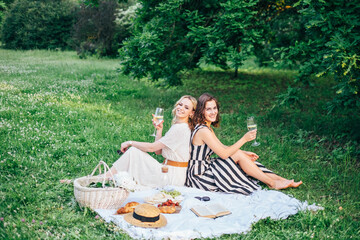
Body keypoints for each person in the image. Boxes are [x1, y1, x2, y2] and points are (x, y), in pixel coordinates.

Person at [185, 93, 302, 195]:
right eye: (208, 109)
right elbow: (224, 154)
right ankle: (272, 183)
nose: (213, 112)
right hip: (199, 176)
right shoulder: (203, 130)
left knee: (241, 155)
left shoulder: (206, 127)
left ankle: (281, 180)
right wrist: (244, 139)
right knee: (238, 156)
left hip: (205, 167)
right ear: (201, 111)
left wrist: (243, 152)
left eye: (214, 108)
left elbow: (222, 147)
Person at [108, 95, 197, 188]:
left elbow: (152, 148)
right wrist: (159, 130)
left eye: (186, 108)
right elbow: (158, 152)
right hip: (168, 170)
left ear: (191, 113)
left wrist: (130, 142)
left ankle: (107, 176)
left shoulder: (180, 128)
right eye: (180, 104)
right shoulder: (178, 125)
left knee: (133, 152)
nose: (181, 108)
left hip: (172, 176)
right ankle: (109, 176)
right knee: (134, 153)